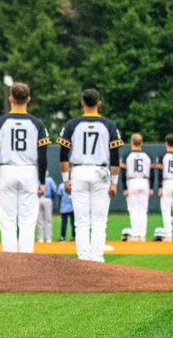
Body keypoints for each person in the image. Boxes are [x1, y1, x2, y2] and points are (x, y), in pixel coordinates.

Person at [57, 89, 122, 262]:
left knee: (81, 221)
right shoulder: (109, 125)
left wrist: (65, 180)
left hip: (78, 171)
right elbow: (115, 156)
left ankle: (84, 257)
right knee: (100, 221)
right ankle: (97, 257)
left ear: (82, 103)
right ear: (99, 103)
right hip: (100, 172)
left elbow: (63, 154)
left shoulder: (71, 124)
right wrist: (114, 183)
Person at [0, 82, 50, 254]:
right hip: (29, 170)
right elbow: (43, 155)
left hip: (7, 170)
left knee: (7, 219)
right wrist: (42, 181)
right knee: (28, 219)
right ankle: (26, 258)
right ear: (29, 99)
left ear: (10, 98)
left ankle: (10, 259)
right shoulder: (38, 124)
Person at [120, 134, 153, 241]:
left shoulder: (127, 155)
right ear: (141, 142)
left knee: (133, 210)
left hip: (132, 181)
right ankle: (142, 234)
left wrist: (125, 188)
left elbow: (123, 173)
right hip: (144, 181)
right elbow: (152, 172)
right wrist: (151, 187)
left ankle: (135, 234)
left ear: (132, 142)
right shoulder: (147, 155)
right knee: (143, 210)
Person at [38, 174, 58, 244]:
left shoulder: (38, 180)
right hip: (46, 198)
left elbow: (55, 189)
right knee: (47, 219)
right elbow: (55, 189)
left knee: (41, 220)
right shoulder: (49, 179)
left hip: (40, 198)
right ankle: (48, 238)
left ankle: (41, 238)